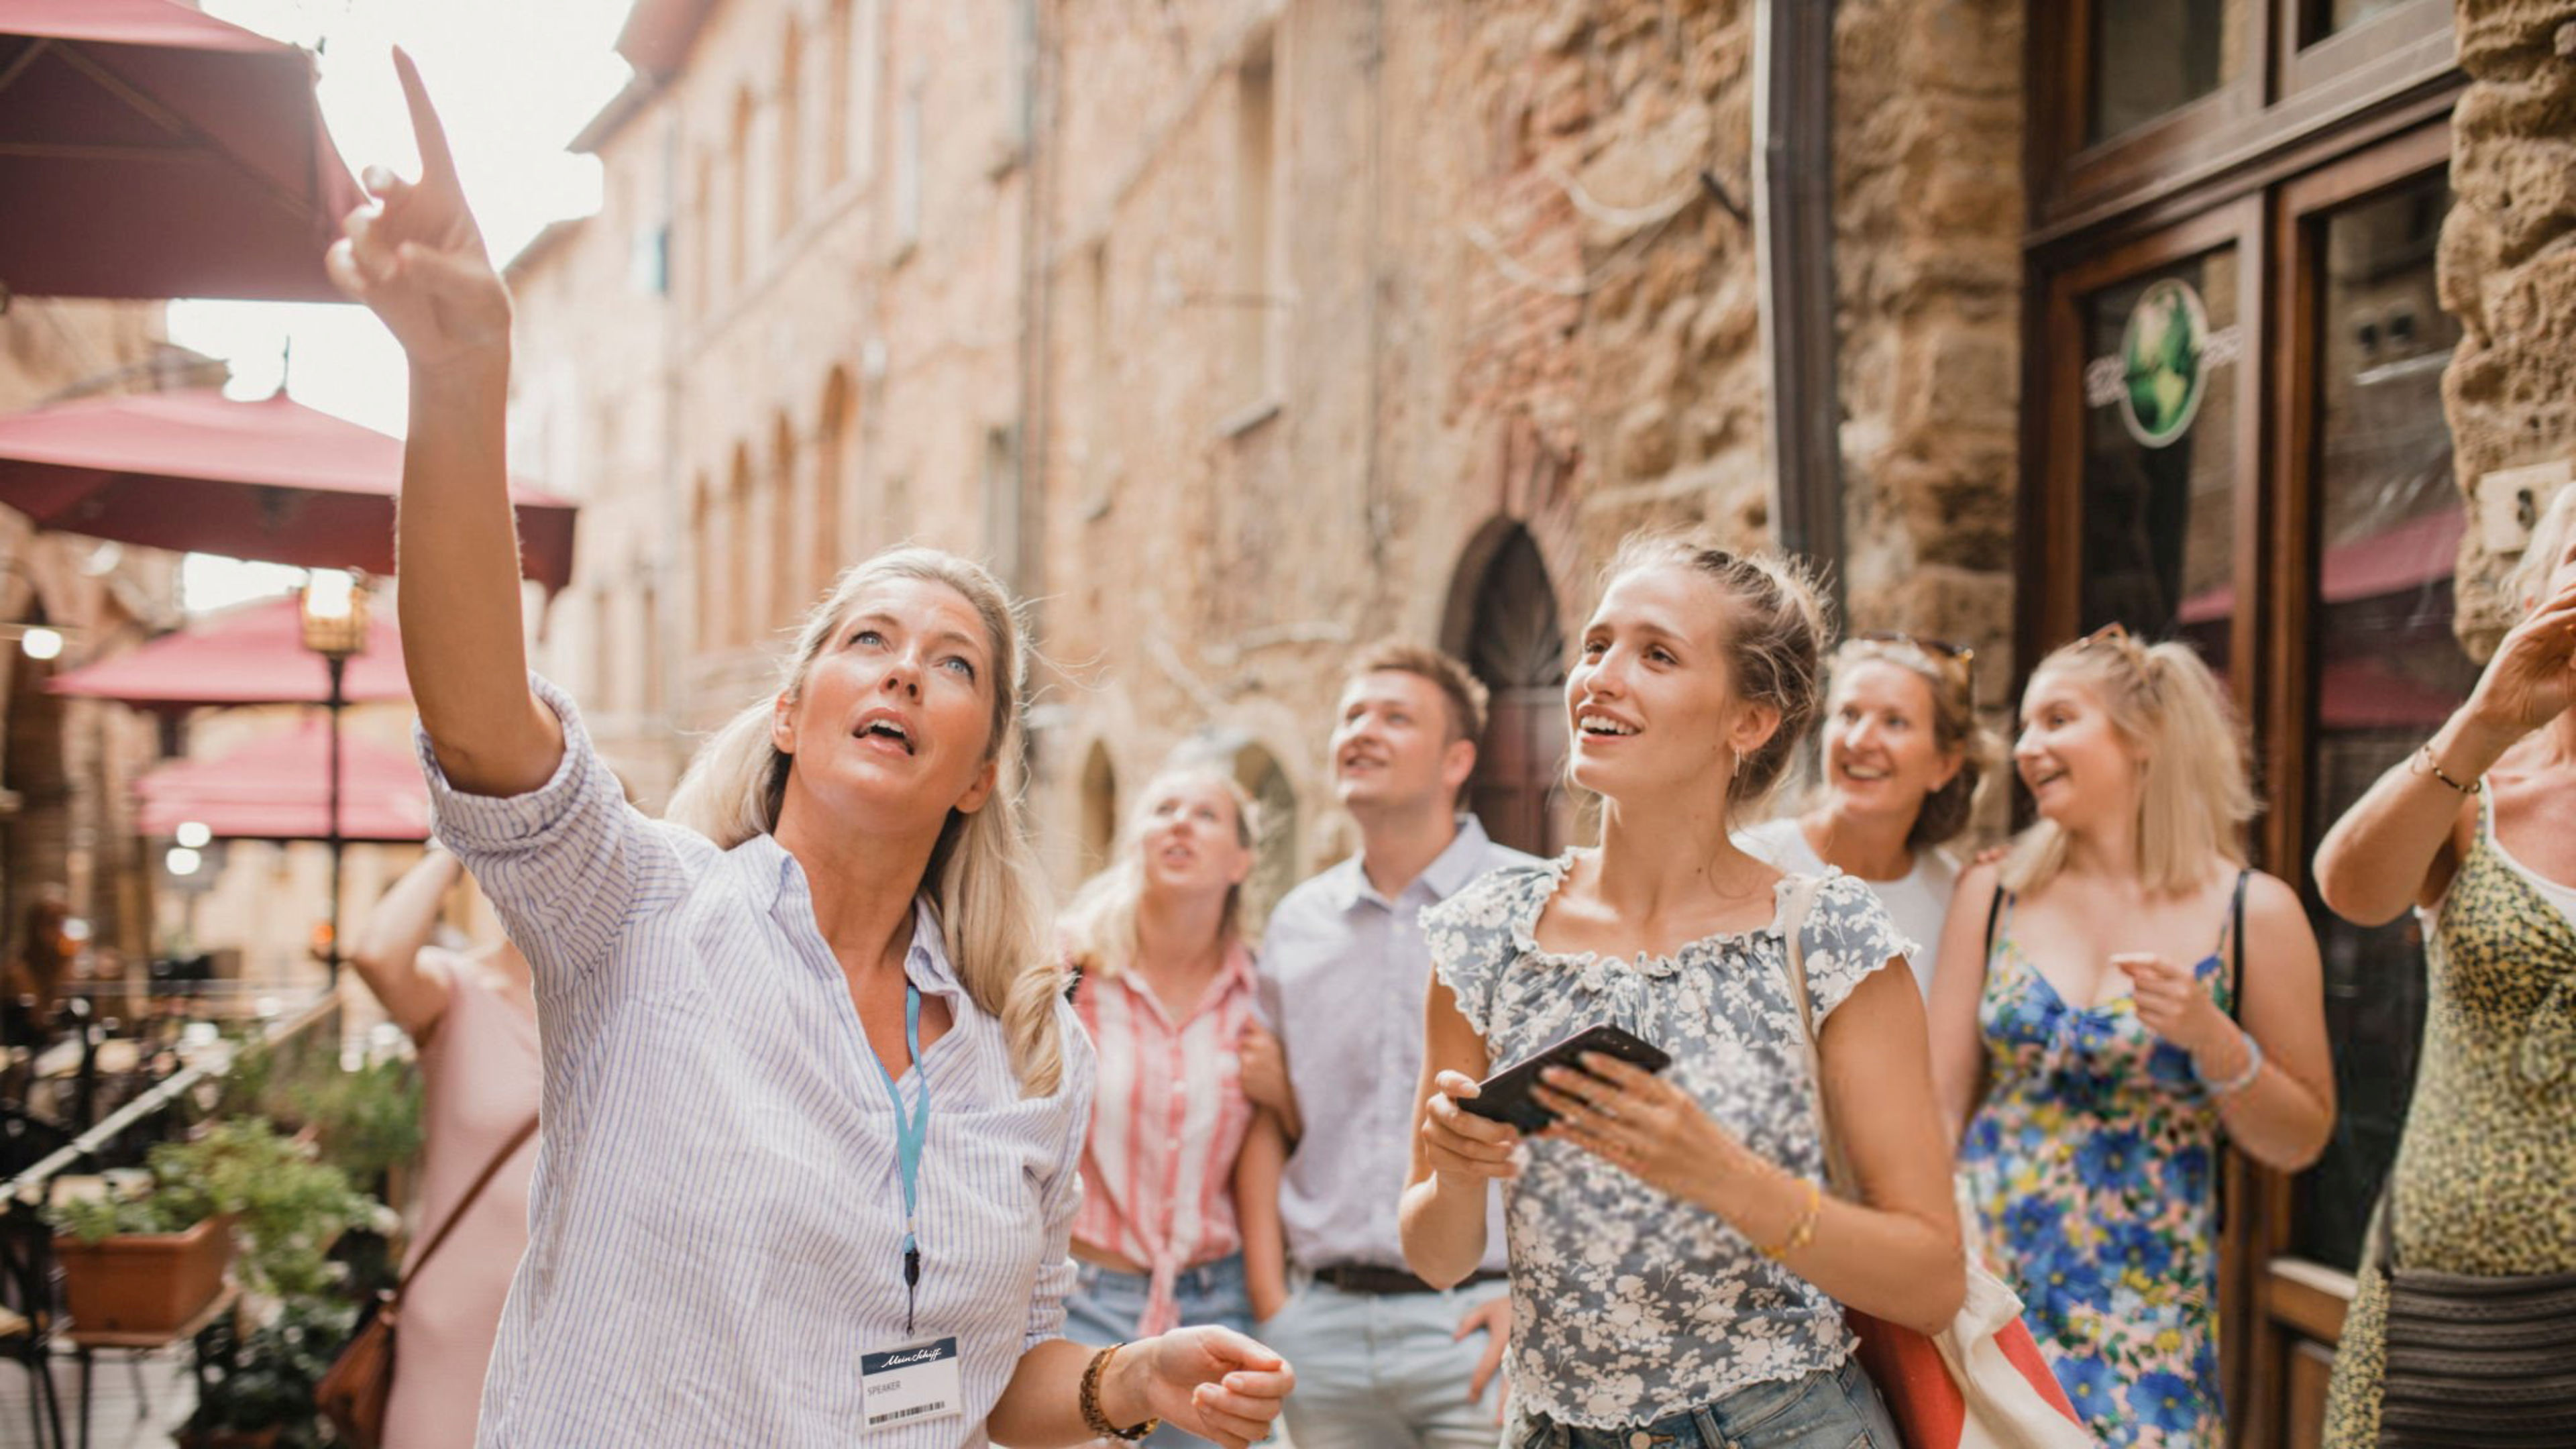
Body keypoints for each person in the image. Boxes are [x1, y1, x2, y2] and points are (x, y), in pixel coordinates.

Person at [327, 50, 1290, 1448]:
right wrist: (461, 377)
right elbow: (483, 718)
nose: (906, 665)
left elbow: (988, 1382)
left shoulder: (1028, 1058)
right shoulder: (643, 915)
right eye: (868, 641)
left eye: (954, 664)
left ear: (978, 775)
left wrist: (1123, 1384)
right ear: (791, 714)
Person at [1403, 537, 1961, 1449]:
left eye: (1656, 655)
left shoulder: (1829, 935)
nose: (1601, 679)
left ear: (1750, 721)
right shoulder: (1485, 931)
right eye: (1595, 646)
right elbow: (1437, 1255)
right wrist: (1455, 1172)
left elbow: (1933, 1276)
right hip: (1551, 1429)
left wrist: (1723, 1177)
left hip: (1782, 1426)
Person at [1928, 625, 2336, 1448]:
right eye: (2027, 726)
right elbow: (1937, 1105)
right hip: (1988, 1297)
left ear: (2144, 739)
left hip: (2146, 1322)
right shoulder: (1993, 890)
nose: (2027, 747)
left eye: (2059, 720)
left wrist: (2214, 1040)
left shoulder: (2252, 913)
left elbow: (2301, 1138)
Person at [2310, 484, 2576, 1448]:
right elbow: (2351, 888)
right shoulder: (2479, 792)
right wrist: (2483, 722)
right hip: (2447, 1315)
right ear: (2543, 589)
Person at [1251, 641, 1534, 1448]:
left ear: (1458, 760)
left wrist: (1539, 1303)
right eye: (1352, 716)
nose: (1363, 732)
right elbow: (1271, 1123)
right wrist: (1280, 1310)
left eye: (1395, 717)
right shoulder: (1296, 925)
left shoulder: (1534, 905)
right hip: (1321, 1338)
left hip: (1480, 1332)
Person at [1058, 764, 1293, 1447]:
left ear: (1243, 859)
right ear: (1136, 839)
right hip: (1082, 1305)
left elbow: (1271, 1153)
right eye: (1162, 809)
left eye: (1205, 814)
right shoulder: (1065, 971)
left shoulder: (1261, 997)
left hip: (1218, 1312)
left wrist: (1285, 1095)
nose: (1181, 823)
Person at [346, 845, 539, 1449]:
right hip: (454, 1327)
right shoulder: (459, 992)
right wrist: (459, 840)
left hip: (581, 1327)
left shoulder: (629, 1009)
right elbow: (376, 955)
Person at [1737, 632, 1995, 996]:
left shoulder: (1954, 898)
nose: (1858, 741)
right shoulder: (1752, 859)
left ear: (1944, 764)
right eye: (1849, 714)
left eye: (1894, 722)